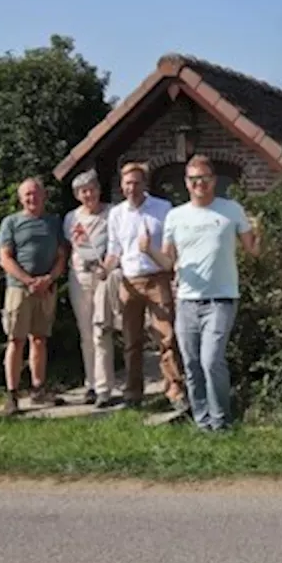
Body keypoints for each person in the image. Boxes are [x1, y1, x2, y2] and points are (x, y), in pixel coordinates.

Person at [141, 154, 260, 432]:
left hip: (221, 299)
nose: (199, 184)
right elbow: (169, 262)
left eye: (204, 179)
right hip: (187, 302)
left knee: (211, 360)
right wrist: (148, 250)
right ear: (187, 183)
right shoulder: (175, 216)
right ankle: (202, 420)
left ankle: (221, 421)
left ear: (213, 181)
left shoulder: (231, 210)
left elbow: (253, 251)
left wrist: (259, 234)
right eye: (194, 180)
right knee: (192, 364)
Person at [104, 162, 188, 411]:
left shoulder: (162, 209)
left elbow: (173, 245)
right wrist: (104, 269)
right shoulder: (116, 214)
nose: (132, 188)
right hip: (129, 281)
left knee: (166, 336)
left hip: (157, 278)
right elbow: (113, 251)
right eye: (127, 183)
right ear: (122, 185)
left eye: (136, 183)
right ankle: (133, 393)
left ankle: (174, 388)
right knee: (131, 340)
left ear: (145, 184)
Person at [0, 176, 68, 415]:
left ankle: (38, 389)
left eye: (36, 193)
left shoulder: (53, 222)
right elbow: (5, 258)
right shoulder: (11, 222)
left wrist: (49, 278)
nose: (32, 198)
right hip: (19, 288)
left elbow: (61, 257)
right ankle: (12, 394)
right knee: (16, 340)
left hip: (46, 288)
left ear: (44, 196)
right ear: (20, 198)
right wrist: (28, 280)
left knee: (39, 339)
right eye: (27, 194)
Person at [62, 169, 116, 407]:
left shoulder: (112, 213)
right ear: (77, 195)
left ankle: (105, 388)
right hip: (79, 277)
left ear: (98, 190)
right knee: (86, 334)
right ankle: (91, 385)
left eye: (91, 189)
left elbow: (117, 244)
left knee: (101, 330)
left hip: (103, 277)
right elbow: (68, 247)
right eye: (83, 191)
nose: (88, 195)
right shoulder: (71, 218)